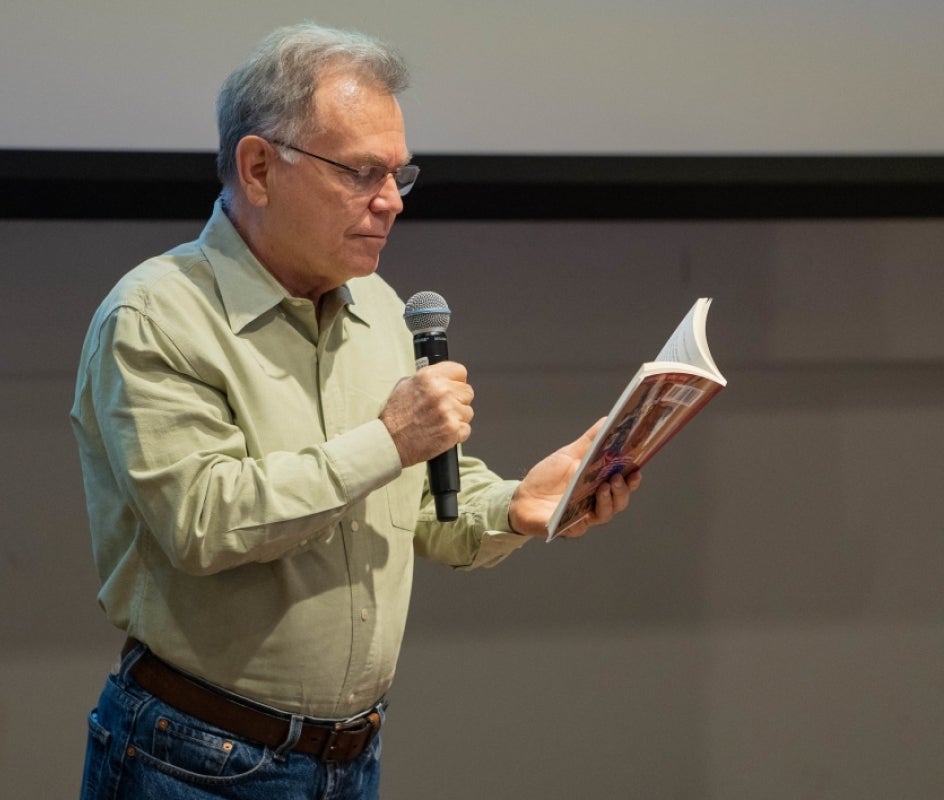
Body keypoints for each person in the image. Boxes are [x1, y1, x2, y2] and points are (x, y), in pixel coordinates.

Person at [70, 22, 640, 800]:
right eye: (362, 172)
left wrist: (518, 504)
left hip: (348, 762)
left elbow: (415, 504)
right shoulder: (156, 316)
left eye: (400, 175)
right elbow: (205, 523)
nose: (389, 203)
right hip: (194, 760)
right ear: (260, 167)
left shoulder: (380, 309)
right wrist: (390, 439)